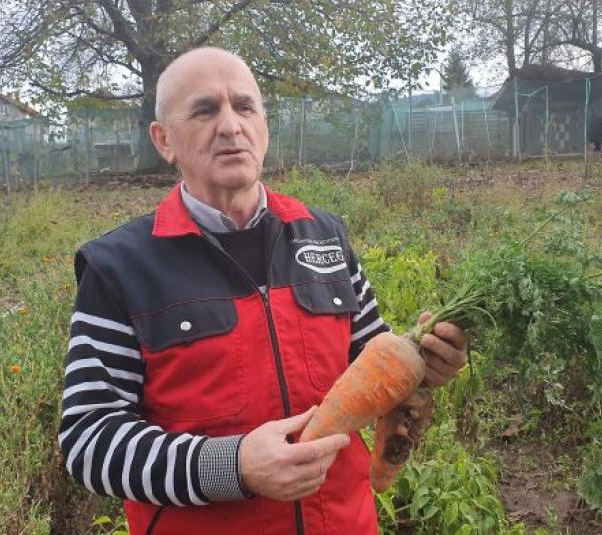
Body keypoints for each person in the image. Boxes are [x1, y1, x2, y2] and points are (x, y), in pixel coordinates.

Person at [59, 47, 468, 534]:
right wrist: (231, 466)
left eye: (244, 106)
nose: (231, 126)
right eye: (205, 110)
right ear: (164, 139)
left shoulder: (324, 236)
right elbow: (88, 440)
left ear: (264, 126)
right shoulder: (120, 267)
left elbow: (375, 369)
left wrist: (423, 366)